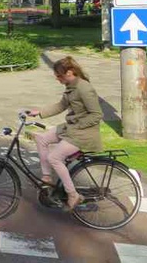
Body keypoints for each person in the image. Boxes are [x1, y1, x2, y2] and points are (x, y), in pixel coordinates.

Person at [27, 56, 103, 211]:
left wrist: (78, 125)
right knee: (41, 138)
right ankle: (47, 178)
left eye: (59, 75)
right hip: (71, 128)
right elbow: (61, 105)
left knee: (54, 157)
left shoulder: (84, 88)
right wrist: (39, 112)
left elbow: (96, 115)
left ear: (69, 73)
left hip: (83, 133)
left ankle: (73, 194)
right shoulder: (71, 86)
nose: (57, 79)